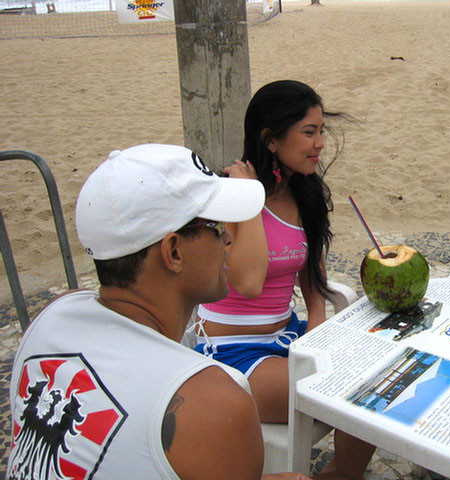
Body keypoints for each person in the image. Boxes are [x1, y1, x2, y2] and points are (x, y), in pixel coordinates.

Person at [6, 144, 310, 480]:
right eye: (215, 227)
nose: (226, 238)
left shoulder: (50, 321)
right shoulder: (211, 403)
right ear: (174, 252)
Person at [193, 80, 375, 479]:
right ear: (271, 140)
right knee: (354, 394)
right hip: (232, 354)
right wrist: (252, 198)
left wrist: (316, 318)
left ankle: (342, 474)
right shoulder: (231, 194)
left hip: (285, 336)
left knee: (374, 375)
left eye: (321, 130)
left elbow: (313, 268)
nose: (320, 143)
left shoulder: (304, 191)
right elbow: (250, 282)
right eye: (309, 132)